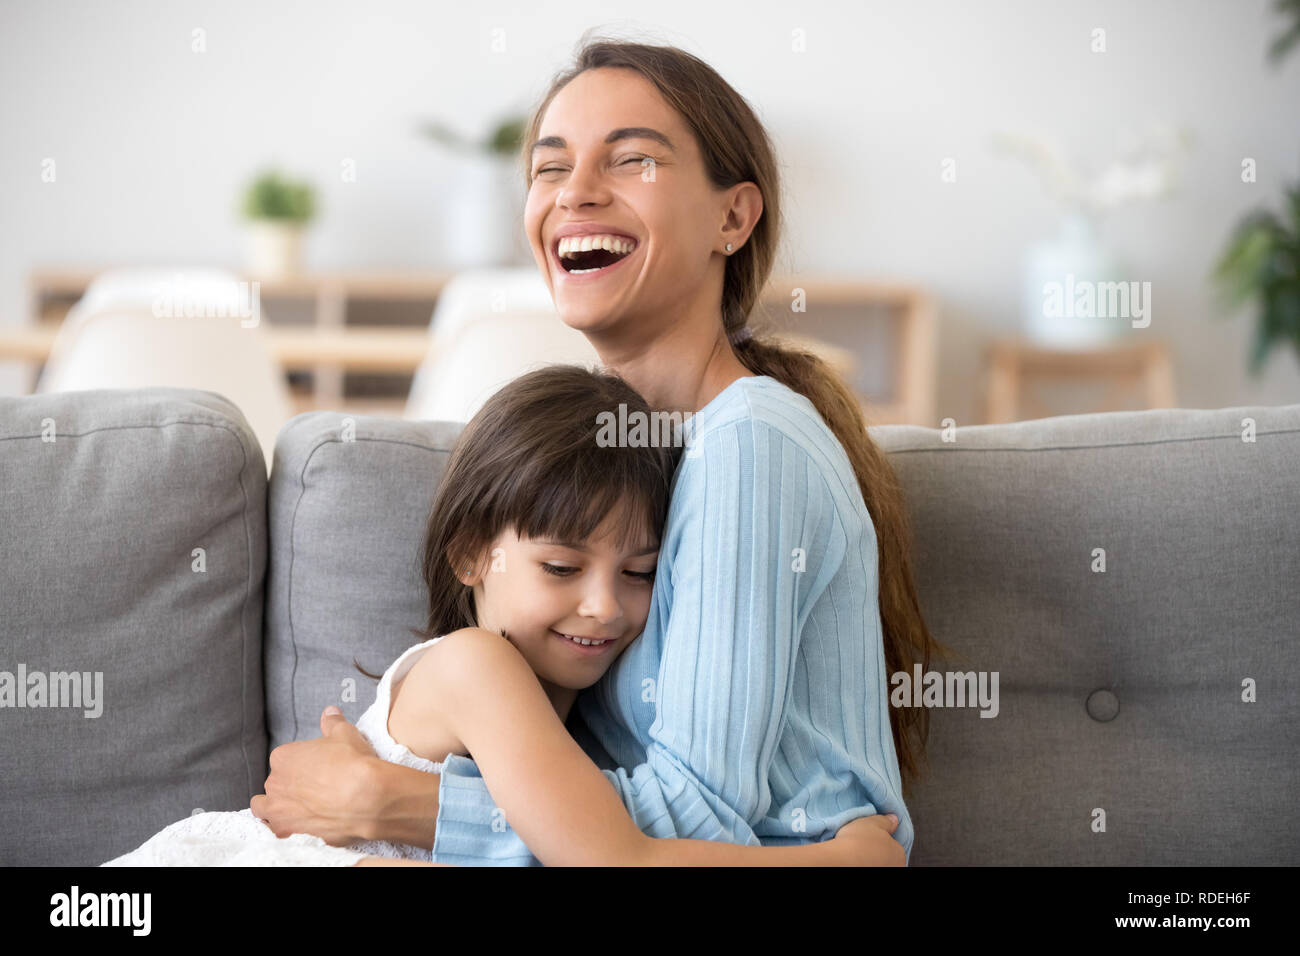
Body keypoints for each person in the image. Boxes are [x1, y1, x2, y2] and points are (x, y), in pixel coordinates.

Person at [254, 35, 945, 866]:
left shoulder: (749, 443)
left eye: (631, 162)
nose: (575, 192)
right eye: (549, 169)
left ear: (733, 217)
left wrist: (397, 803)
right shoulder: (621, 468)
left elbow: (695, 819)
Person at [102, 366, 900, 866]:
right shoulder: (479, 667)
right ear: (470, 555)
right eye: (560, 567)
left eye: (640, 574)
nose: (604, 606)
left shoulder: (578, 724)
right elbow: (616, 859)